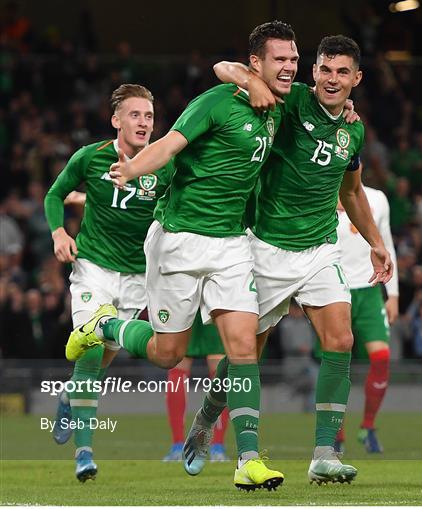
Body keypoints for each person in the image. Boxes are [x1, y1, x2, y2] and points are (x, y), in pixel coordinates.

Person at [66, 20, 298, 491]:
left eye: (294, 59)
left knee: (244, 347)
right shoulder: (214, 103)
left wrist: (346, 109)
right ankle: (103, 325)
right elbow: (169, 145)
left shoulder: (282, 102)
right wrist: (131, 169)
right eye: (280, 60)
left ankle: (248, 458)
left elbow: (321, 99)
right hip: (178, 241)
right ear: (257, 63)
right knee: (167, 356)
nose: (290, 68)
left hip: (232, 244)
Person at [188, 32, 393, 485]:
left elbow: (352, 190)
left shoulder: (353, 129)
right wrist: (250, 78)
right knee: (246, 355)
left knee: (340, 339)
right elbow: (224, 69)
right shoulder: (291, 100)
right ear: (313, 71)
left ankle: (323, 453)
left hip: (320, 248)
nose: (332, 79)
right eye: (324, 69)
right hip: (265, 248)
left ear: (357, 78)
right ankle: (206, 419)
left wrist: (376, 242)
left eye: (342, 72)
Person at [43, 84, 176, 482]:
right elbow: (55, 194)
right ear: (116, 120)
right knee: (89, 353)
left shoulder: (165, 165)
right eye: (135, 115)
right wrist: (59, 233)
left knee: (100, 362)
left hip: (138, 277)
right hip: (94, 269)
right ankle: (84, 454)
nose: (143, 123)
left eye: (149, 116)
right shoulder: (91, 157)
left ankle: (68, 396)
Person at [332, 183, 399, 454]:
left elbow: (386, 242)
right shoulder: (321, 191)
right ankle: (335, 435)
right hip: (335, 288)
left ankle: (368, 426)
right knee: (336, 363)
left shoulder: (377, 198)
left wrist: (392, 294)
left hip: (371, 290)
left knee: (381, 358)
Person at [163, 313, 229, 462]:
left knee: (178, 365)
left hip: (185, 295)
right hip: (214, 294)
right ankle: (217, 448)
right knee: (219, 369)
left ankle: (178, 446)